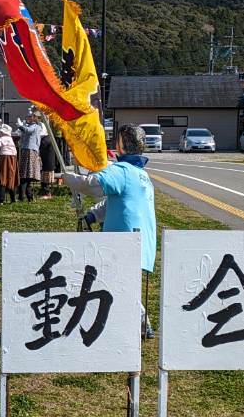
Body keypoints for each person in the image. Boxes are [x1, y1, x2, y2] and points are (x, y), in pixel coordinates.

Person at [62, 124, 159, 337]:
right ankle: (141, 322)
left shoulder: (122, 171)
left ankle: (142, 323)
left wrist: (69, 179)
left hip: (124, 239)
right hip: (140, 239)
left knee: (118, 282)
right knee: (122, 281)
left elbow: (93, 185)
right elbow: (115, 201)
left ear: (121, 144)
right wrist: (93, 215)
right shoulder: (141, 174)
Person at [15, 112, 45, 201]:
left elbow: (28, 131)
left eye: (31, 116)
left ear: (35, 118)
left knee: (26, 174)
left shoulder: (35, 126)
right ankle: (27, 195)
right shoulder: (30, 126)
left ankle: (24, 195)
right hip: (27, 149)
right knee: (26, 174)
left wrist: (20, 126)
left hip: (30, 150)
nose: (28, 118)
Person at [0, 122, 17, 204]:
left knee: (2, 177)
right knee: (11, 177)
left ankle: (1, 200)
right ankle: (13, 198)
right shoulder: (10, 139)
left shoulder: (3, 139)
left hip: (5, 158)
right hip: (13, 158)